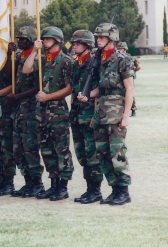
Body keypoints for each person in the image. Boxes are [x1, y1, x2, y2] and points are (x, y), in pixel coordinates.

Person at [80, 23, 134, 206]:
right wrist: (87, 95)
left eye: (102, 37)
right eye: (97, 37)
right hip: (101, 113)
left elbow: (129, 89)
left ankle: (123, 191)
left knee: (116, 152)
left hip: (116, 113)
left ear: (112, 38)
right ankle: (114, 190)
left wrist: (126, 115)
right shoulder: (100, 60)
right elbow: (101, 89)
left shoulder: (122, 59)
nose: (98, 39)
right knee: (102, 153)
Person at [22, 26, 74, 201]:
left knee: (61, 150)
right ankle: (53, 185)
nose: (44, 41)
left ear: (56, 40)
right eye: (43, 39)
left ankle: (63, 187)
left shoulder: (65, 61)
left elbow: (69, 88)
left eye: (47, 39)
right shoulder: (42, 58)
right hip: (41, 113)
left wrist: (48, 97)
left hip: (57, 111)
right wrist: (34, 51)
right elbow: (26, 69)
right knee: (46, 150)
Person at [7, 26, 43, 198]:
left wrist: (18, 96)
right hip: (19, 107)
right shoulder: (19, 56)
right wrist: (9, 55)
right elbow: (10, 75)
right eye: (18, 38)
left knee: (30, 147)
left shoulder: (37, 56)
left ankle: (37, 183)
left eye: (23, 39)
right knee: (18, 147)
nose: (19, 41)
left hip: (30, 106)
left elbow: (38, 86)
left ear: (30, 40)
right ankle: (28, 181)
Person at [70, 30, 103, 204]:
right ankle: (89, 188)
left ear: (87, 45)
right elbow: (74, 91)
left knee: (92, 155)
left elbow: (99, 91)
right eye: (74, 43)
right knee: (82, 155)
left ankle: (95, 190)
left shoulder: (94, 64)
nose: (74, 45)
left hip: (89, 114)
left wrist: (95, 115)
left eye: (78, 43)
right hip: (77, 115)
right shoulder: (76, 64)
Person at [0, 46, 16, 196]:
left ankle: (8, 182)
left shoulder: (10, 61)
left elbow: (13, 83)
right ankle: (0, 179)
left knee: (7, 147)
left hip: (5, 108)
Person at [117, 42, 141, 117]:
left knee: (129, 93)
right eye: (118, 48)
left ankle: (133, 110)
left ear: (125, 49)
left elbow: (139, 66)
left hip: (128, 77)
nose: (119, 50)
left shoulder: (129, 57)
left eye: (121, 48)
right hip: (120, 78)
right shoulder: (117, 57)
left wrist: (132, 72)